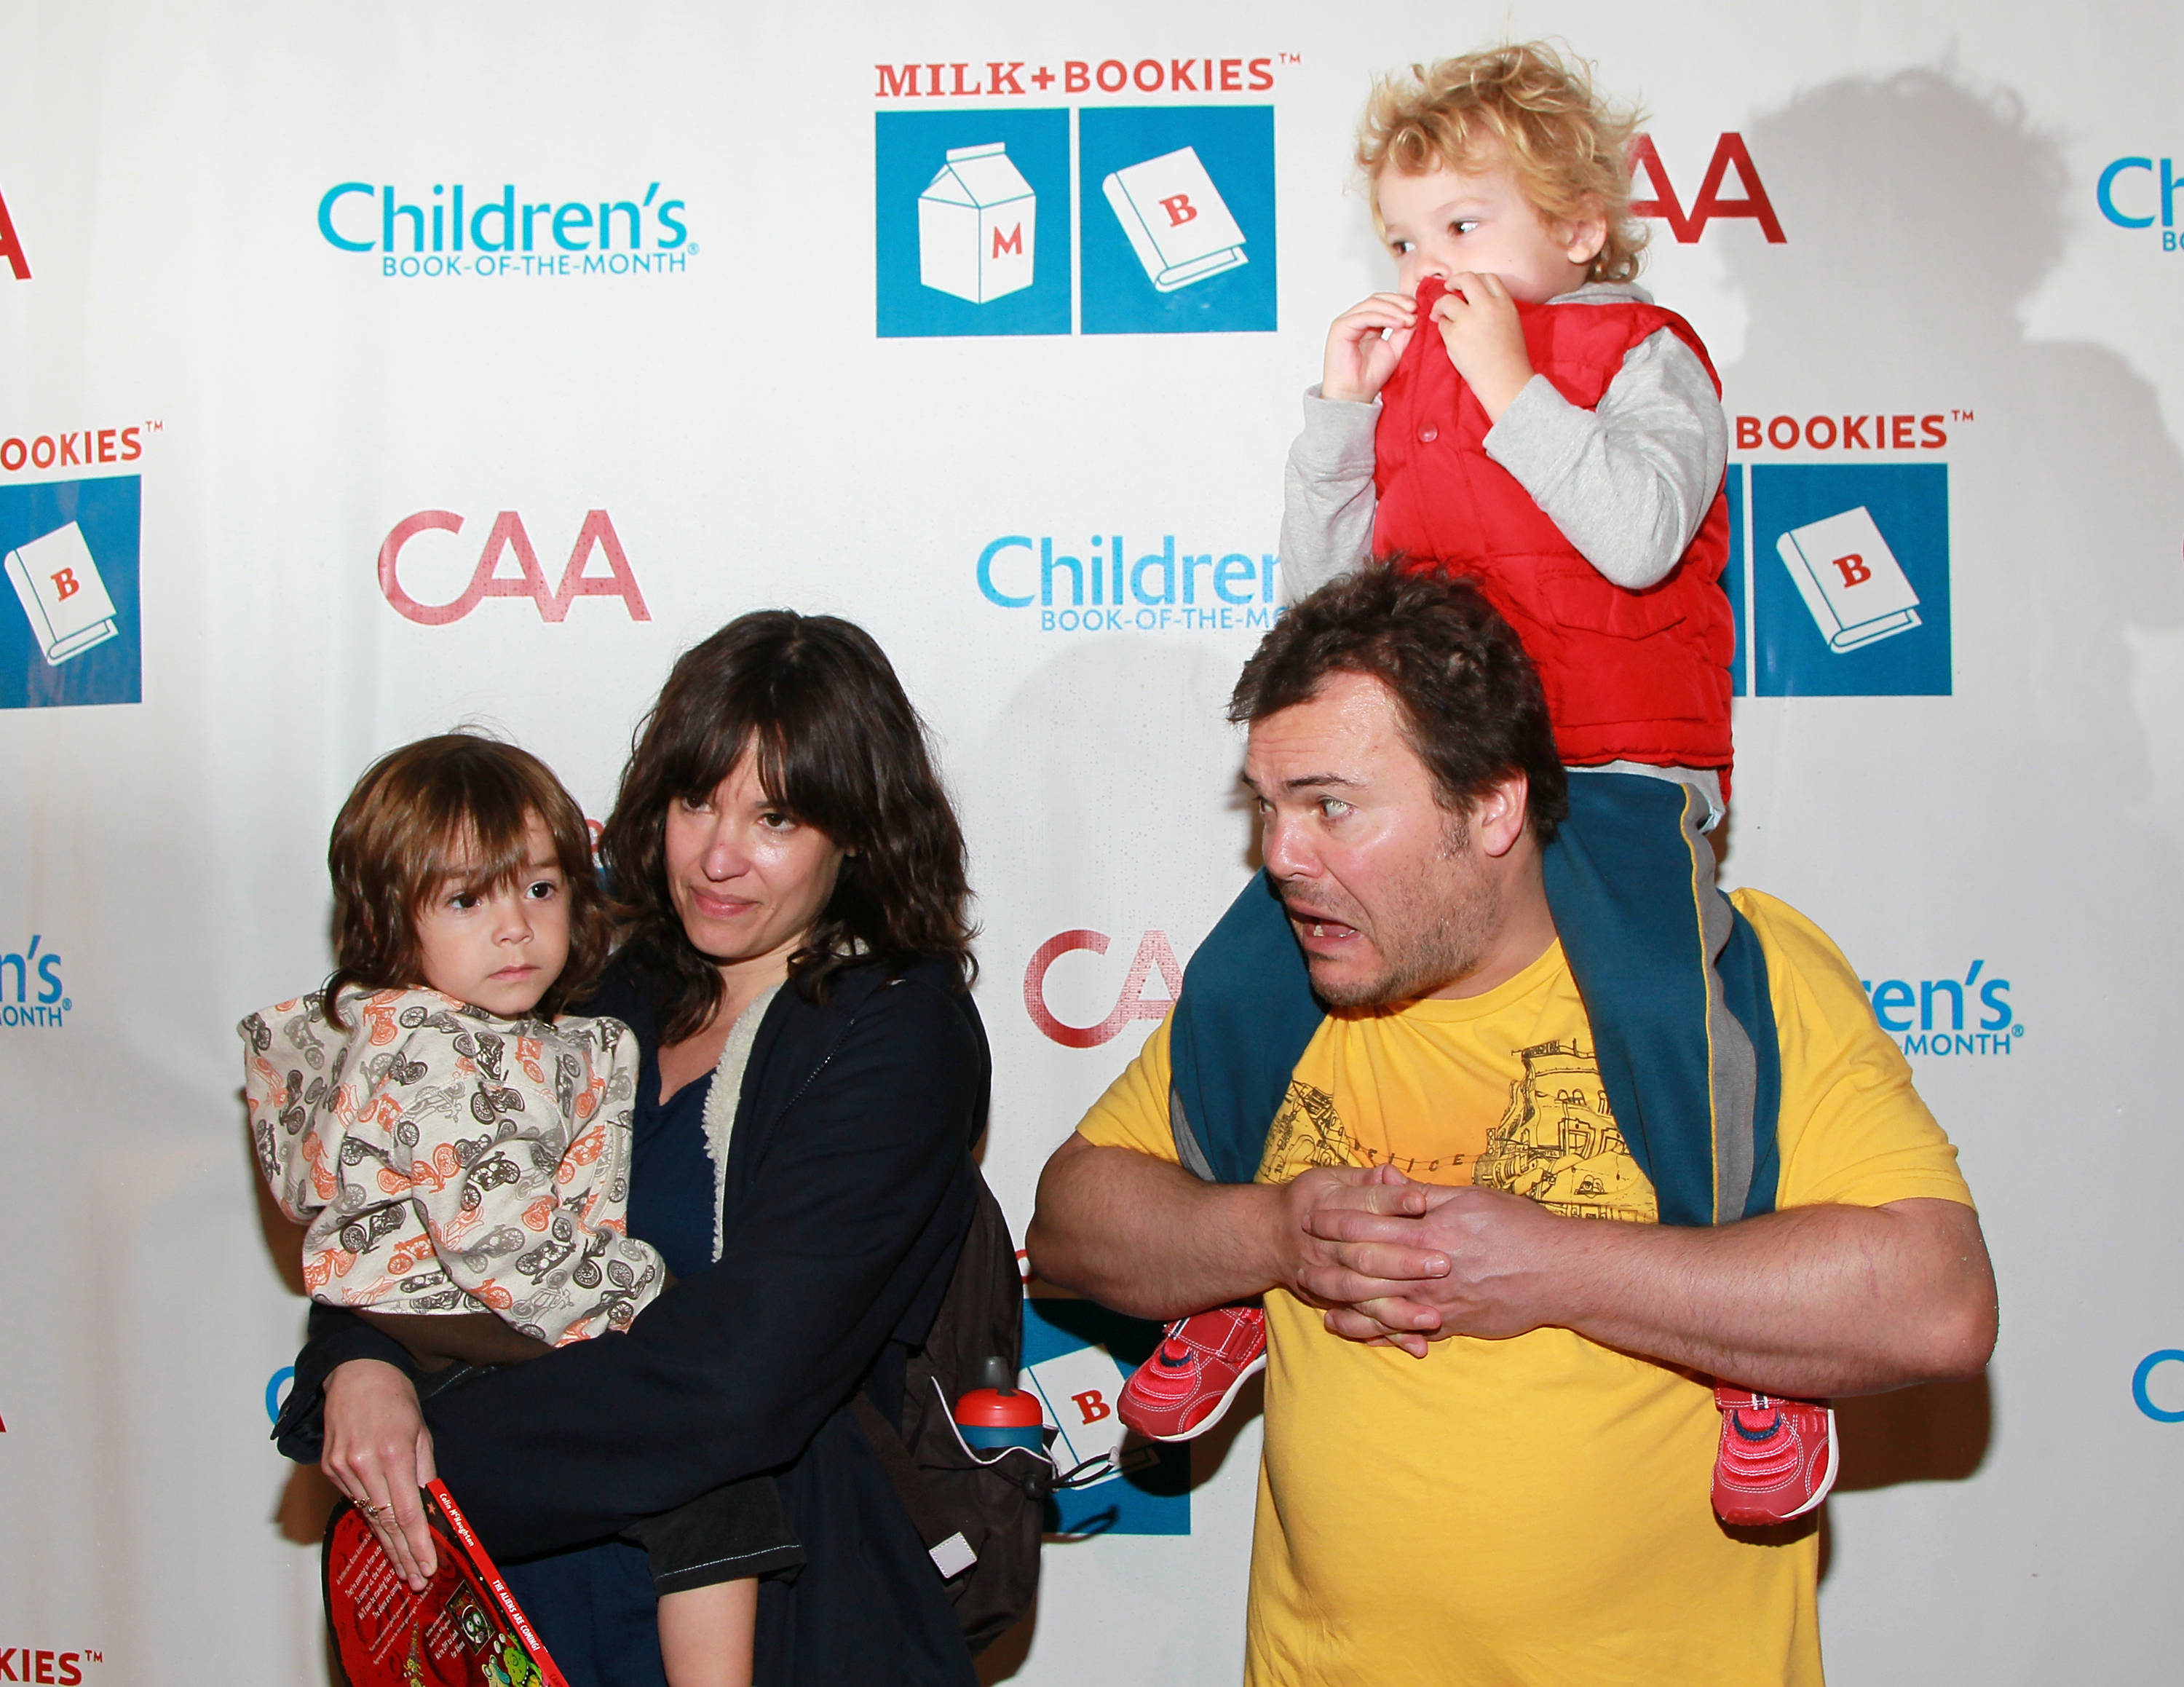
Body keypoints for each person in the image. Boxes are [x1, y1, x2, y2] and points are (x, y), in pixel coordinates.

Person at [1029, 567, 1997, 1685]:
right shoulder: (1277, 993)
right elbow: (1067, 1224)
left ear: (1491, 805)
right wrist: (1279, 1236)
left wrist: (1555, 1267)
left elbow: (1939, 1301)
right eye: (1269, 807)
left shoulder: (1719, 981)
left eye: (1332, 805)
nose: (1283, 857)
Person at [1116, 42, 1767, 1496]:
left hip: (1613, 764)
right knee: (1236, 977)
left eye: (1464, 227)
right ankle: (1225, 1284)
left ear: (1578, 229)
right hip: (1433, 775)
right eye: (1408, 239)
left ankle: (1743, 1342)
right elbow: (1321, 611)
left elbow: (1643, 533)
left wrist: (1515, 384)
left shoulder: (1648, 353)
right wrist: (1341, 418)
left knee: (1665, 999)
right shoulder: (1414, 368)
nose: (1429, 267)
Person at [273, 612, 989, 1687]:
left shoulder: (898, 1032)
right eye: (698, 798)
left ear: (860, 832)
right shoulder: (591, 978)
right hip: (518, 1617)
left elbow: (734, 1382)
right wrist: (362, 1360)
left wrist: (428, 1464)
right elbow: (416, 1173)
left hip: (774, 1617)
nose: (716, 854)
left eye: (777, 816)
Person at [242, 733, 792, 1687]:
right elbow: (507, 1245)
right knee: (713, 1481)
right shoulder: (437, 1057)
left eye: (540, 889)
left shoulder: (512, 1033)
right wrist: (650, 1299)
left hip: (462, 1333)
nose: (515, 928)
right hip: (473, 1328)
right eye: (467, 899)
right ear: (385, 919)